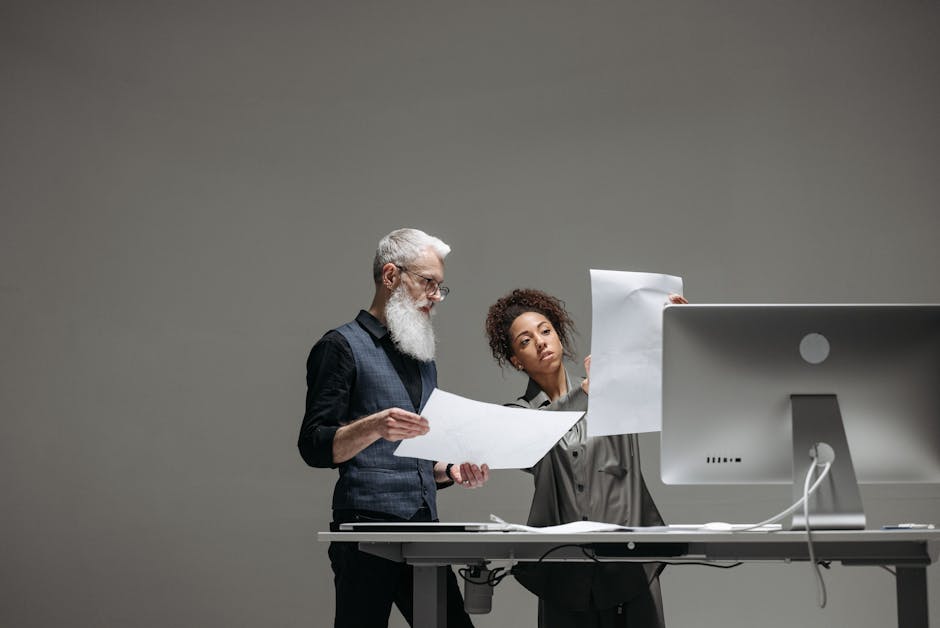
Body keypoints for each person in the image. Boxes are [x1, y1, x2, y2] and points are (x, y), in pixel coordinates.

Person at [299, 228, 490, 628]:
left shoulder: (421, 357)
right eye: (428, 283)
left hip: (424, 529)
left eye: (440, 286)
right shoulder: (340, 346)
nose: (436, 296)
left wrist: (451, 470)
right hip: (365, 529)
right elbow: (314, 446)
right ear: (390, 276)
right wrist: (372, 425)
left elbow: (418, 458)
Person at [484, 288, 686, 628]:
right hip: (563, 573)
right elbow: (537, 436)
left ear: (559, 336)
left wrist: (670, 325)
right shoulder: (519, 414)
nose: (541, 342)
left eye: (545, 330)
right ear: (517, 360)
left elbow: (661, 377)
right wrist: (588, 392)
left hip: (631, 565)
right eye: (525, 341)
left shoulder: (613, 390)